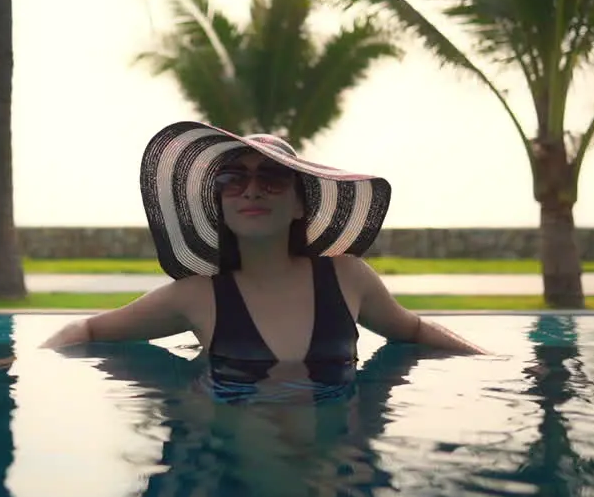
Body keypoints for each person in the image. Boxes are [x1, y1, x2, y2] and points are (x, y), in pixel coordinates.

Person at [40, 120, 488, 373]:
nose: (251, 191)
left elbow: (411, 330)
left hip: (330, 468)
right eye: (234, 180)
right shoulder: (197, 295)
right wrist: (27, 366)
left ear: (299, 205)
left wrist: (488, 359)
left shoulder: (348, 277)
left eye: (271, 179)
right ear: (220, 203)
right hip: (234, 463)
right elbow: (91, 331)